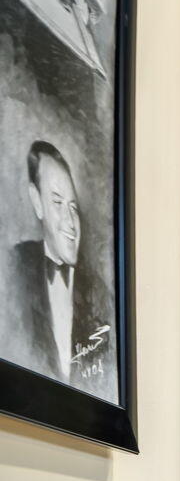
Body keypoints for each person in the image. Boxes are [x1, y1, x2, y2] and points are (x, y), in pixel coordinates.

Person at [4, 140, 114, 400]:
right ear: (37, 202)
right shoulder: (12, 269)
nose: (71, 223)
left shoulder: (100, 293)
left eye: (73, 207)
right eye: (57, 202)